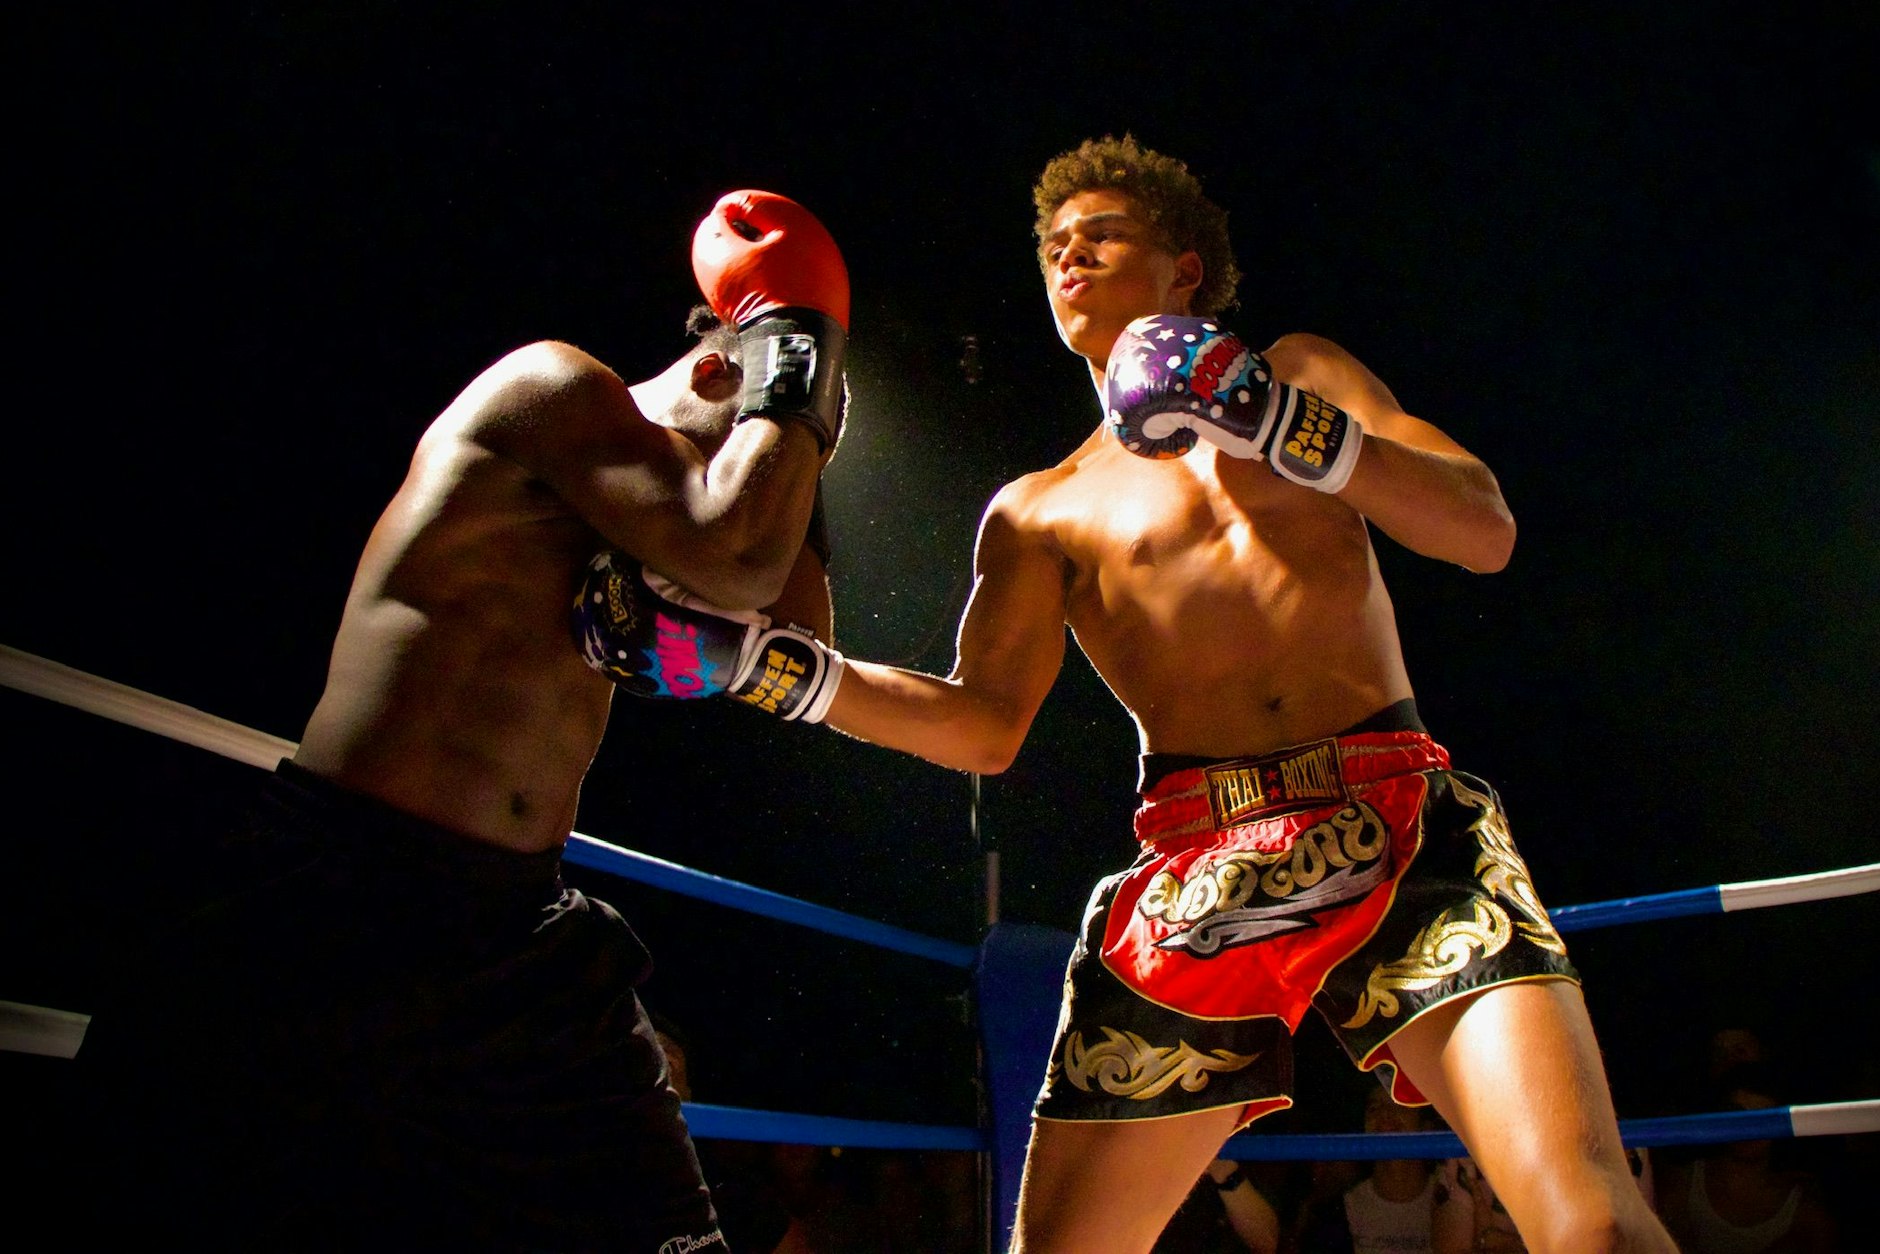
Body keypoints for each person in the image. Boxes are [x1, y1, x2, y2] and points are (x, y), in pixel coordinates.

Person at [588, 135, 1681, 1252]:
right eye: (1055, 246)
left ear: (1185, 270)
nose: (1070, 256)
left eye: (1102, 235)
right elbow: (981, 726)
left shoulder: (1301, 374)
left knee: (1590, 1222)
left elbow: (1482, 529)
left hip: (1396, 822)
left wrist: (1273, 419)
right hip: (1196, 867)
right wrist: (767, 668)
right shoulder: (1041, 508)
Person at [70, 188, 850, 1250]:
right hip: (334, 889)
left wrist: (796, 426)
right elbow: (741, 549)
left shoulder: (675, 519)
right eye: (769, 441)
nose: (780, 467)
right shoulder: (551, 389)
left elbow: (800, 632)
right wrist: (795, 350)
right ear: (719, 373)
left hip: (517, 933)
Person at [1654, 1063, 1839, 1253]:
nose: (1748, 1129)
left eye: (1761, 1120)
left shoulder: (1804, 1207)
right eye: (1738, 1114)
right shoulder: (1684, 1182)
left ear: (1780, 1125)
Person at [1295, 1085, 1442, 1253]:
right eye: (1374, 1108)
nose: (1384, 1115)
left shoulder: (1451, 1201)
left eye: (1399, 1104)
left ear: (1427, 1127)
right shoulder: (1336, 1212)